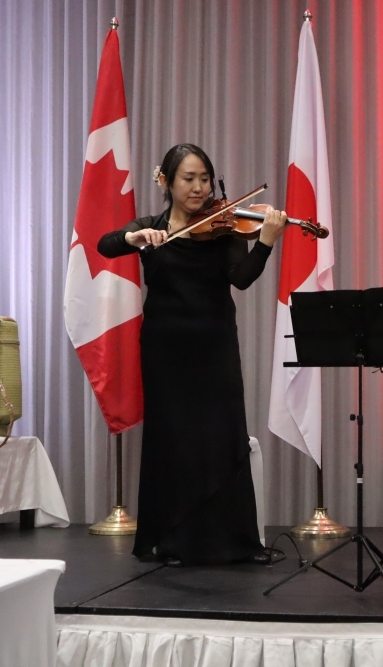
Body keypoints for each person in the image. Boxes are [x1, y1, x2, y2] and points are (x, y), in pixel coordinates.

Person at [97, 143, 287, 566]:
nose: (199, 187)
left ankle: (233, 541)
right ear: (166, 181)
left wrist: (266, 243)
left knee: (223, 436)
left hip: (215, 344)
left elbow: (241, 279)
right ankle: (173, 539)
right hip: (166, 348)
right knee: (174, 440)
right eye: (189, 178)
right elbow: (106, 245)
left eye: (204, 178)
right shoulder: (152, 227)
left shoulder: (223, 227)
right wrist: (134, 237)